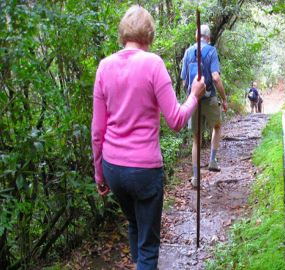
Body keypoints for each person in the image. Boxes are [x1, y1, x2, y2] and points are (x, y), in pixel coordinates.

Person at [91, 5, 205, 270]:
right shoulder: (153, 64)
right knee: (149, 247)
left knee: (134, 223)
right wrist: (194, 96)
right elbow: (176, 120)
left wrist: (99, 174)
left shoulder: (104, 67)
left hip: (114, 169)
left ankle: (137, 264)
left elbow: (97, 131)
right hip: (144, 170)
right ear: (149, 34)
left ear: (124, 32)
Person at [181, 24, 228, 188]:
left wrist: (190, 97)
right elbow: (215, 77)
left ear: (196, 37)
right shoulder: (212, 51)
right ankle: (212, 160)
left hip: (193, 99)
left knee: (196, 139)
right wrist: (224, 98)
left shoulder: (188, 53)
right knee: (217, 126)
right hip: (209, 97)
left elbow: (185, 82)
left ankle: (195, 178)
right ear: (208, 37)